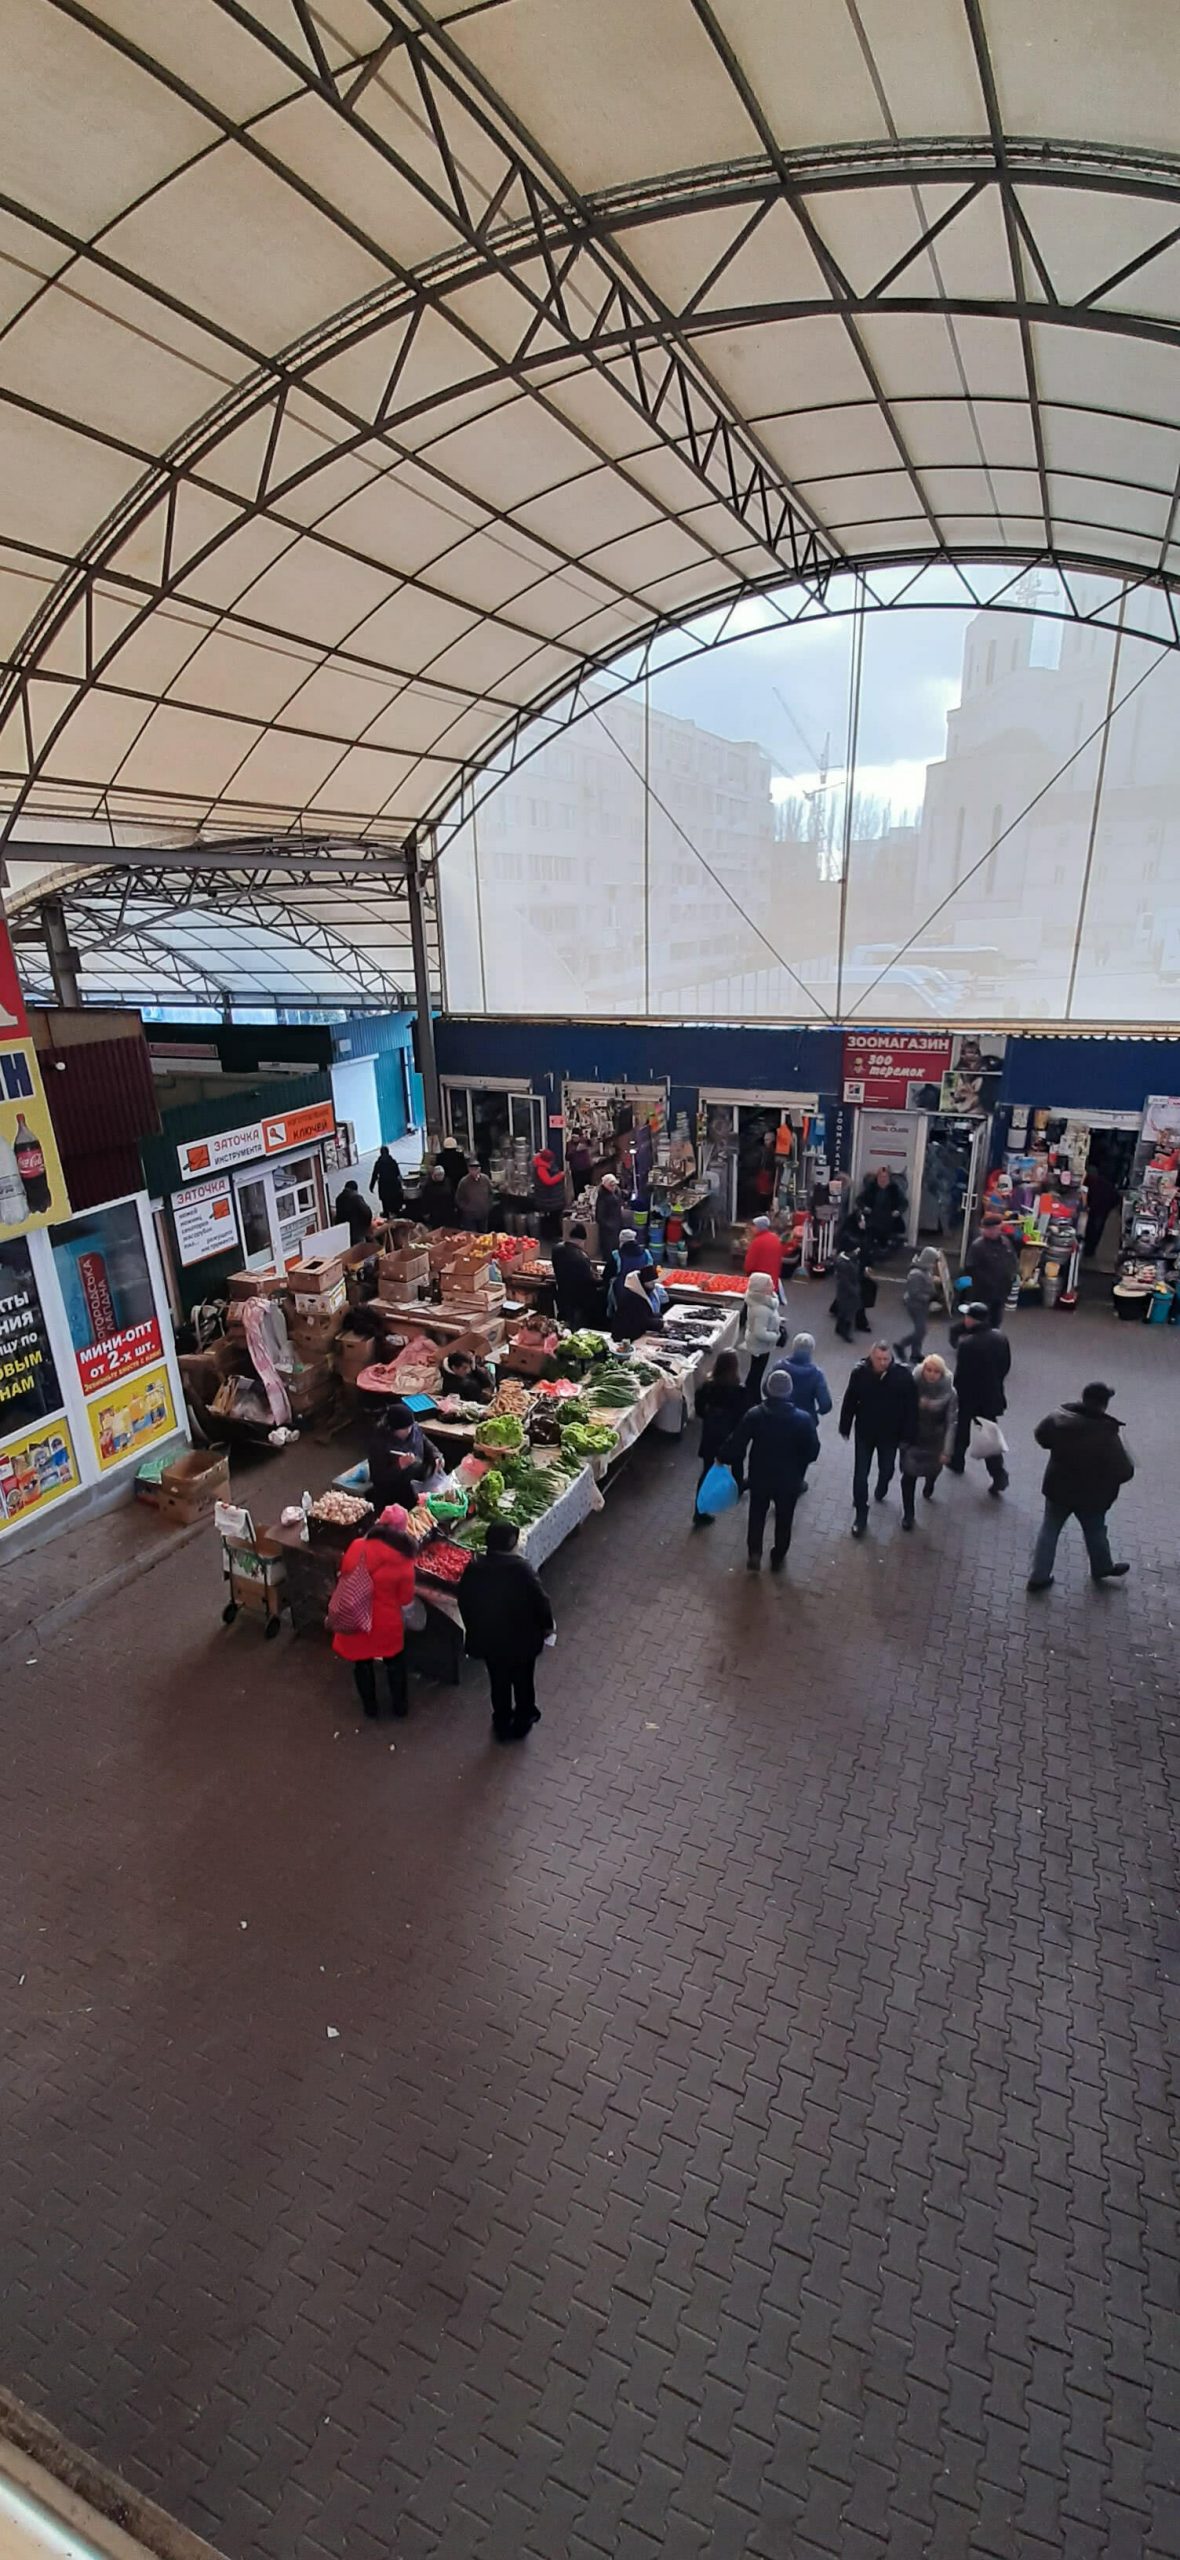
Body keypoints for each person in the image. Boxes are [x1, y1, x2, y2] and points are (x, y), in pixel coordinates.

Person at [1027, 1382, 1133, 1591]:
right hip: (1091, 1496)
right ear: (1104, 1405)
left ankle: (1039, 1577)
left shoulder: (1060, 1418)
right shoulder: (1106, 1433)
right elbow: (1125, 1471)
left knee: (1049, 1529)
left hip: (1058, 1487)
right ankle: (1102, 1567)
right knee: (1095, 1531)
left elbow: (1041, 1436)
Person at [458, 1518, 555, 1741]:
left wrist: (475, 1628)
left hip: (491, 1642)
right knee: (523, 1682)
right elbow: (540, 1601)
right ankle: (523, 1720)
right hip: (521, 1642)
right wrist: (547, 1626)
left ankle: (501, 1721)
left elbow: (465, 1600)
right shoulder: (521, 1570)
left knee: (498, 1682)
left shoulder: (474, 1568)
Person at [721, 1369, 819, 1573]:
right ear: (789, 1391)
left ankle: (755, 1553)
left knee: (757, 1515)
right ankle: (778, 1555)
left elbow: (737, 1442)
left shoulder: (755, 1415)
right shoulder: (803, 1419)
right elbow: (813, 1452)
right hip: (789, 1480)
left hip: (760, 1476)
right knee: (784, 1519)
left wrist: (722, 1457)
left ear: (767, 1390)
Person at [331, 1505, 416, 1719]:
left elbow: (344, 1573)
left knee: (362, 1664)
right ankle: (400, 1707)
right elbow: (405, 1599)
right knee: (395, 1664)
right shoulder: (404, 1560)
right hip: (385, 1624)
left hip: (356, 1617)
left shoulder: (357, 1545)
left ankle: (370, 1708)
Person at [839, 1341, 919, 1538]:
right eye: (878, 1359)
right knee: (860, 1475)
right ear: (871, 1357)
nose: (883, 1363)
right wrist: (845, 1425)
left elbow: (911, 1407)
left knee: (887, 1468)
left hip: (890, 1435)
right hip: (865, 1432)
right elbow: (850, 1399)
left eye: (886, 1359)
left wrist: (908, 1435)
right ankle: (861, 1513)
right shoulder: (860, 1373)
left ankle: (882, 1486)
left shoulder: (902, 1376)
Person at [947, 1300, 1011, 1493]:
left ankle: (959, 1462)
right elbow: (1005, 1366)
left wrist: (955, 1394)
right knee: (988, 1433)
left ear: (970, 1319)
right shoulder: (1000, 1338)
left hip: (970, 1397)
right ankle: (996, 1473)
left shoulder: (967, 1344)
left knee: (963, 1430)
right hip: (991, 1396)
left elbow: (961, 1375)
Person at [692, 1349, 750, 1527]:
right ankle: (737, 1488)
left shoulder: (707, 1386)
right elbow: (744, 1415)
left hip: (711, 1435)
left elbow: (699, 1409)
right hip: (732, 1436)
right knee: (738, 1463)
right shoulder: (740, 1390)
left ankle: (699, 1511)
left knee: (707, 1471)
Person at [899, 1354, 958, 1528]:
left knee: (932, 1470)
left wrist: (947, 1450)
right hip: (913, 1439)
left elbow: (951, 1422)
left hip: (934, 1441)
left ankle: (930, 1483)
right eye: (928, 1370)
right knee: (908, 1478)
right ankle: (908, 1514)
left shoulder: (949, 1393)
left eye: (936, 1371)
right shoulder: (913, 1385)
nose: (931, 1374)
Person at [367, 1399, 443, 1512]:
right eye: (404, 1429)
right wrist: (399, 1466)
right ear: (393, 1429)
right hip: (396, 1492)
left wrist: (437, 1456)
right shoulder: (379, 1443)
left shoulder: (414, 1429)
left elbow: (426, 1443)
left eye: (410, 1427)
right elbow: (378, 1478)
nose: (409, 1431)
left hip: (418, 1479)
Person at [964, 1207, 1018, 1327]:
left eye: (996, 1228)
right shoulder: (978, 1246)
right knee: (981, 1321)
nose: (993, 1231)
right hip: (983, 1293)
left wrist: (1012, 1275)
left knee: (996, 1321)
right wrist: (986, 1282)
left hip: (1000, 1292)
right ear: (984, 1229)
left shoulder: (1006, 1243)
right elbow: (971, 1268)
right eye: (990, 1229)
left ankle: (992, 1341)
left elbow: (1012, 1260)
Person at [741, 1268, 786, 1400]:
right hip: (760, 1346)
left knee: (756, 1370)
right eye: (769, 1284)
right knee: (756, 1372)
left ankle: (751, 1394)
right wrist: (775, 1336)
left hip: (759, 1345)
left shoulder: (763, 1302)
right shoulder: (761, 1309)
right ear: (761, 1288)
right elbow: (760, 1333)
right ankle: (753, 1397)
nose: (773, 1285)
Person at [551, 1221, 603, 1328]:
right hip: (578, 1299)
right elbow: (590, 1280)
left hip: (562, 1293)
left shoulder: (556, 1249)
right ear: (581, 1241)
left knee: (564, 1321)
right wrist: (602, 1279)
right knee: (576, 1324)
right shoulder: (580, 1258)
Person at [895, 1245, 941, 1361]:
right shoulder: (915, 1274)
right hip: (916, 1306)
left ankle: (916, 1353)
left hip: (922, 1305)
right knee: (921, 1331)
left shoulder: (925, 1269)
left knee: (920, 1329)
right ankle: (901, 1345)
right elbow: (914, 1293)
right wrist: (930, 1297)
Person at [783, 1332, 832, 1426]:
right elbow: (825, 1404)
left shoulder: (780, 1366)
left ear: (793, 1347)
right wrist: (819, 1412)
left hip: (781, 1417)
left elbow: (766, 1388)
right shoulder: (816, 1374)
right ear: (811, 1350)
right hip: (806, 1420)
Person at [859, 1166, 906, 1258]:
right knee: (868, 1236)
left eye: (885, 1177)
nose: (883, 1179)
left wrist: (898, 1211)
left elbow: (904, 1203)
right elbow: (859, 1200)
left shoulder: (894, 1189)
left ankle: (884, 1249)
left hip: (889, 1218)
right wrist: (865, 1208)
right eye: (881, 1177)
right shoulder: (871, 1188)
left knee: (886, 1232)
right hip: (873, 1218)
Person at [603, 1227, 651, 1317]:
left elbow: (606, 1275)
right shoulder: (646, 1254)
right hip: (641, 1294)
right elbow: (651, 1278)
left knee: (622, 1318)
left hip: (621, 1295)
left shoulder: (616, 1255)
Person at [611, 1266, 665, 1341]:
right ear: (642, 1282)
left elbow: (645, 1314)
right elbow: (642, 1320)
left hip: (635, 1332)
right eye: (651, 1282)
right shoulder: (632, 1298)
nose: (654, 1284)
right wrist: (661, 1324)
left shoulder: (643, 1293)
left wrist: (659, 1316)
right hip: (626, 1337)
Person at [1082, 1160, 1120, 1259]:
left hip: (1103, 1204)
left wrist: (1087, 1207)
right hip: (1106, 1202)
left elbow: (1087, 1198)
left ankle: (1089, 1250)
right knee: (1096, 1226)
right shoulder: (1097, 1182)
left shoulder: (1091, 1183)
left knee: (1095, 1226)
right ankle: (1089, 1250)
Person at [531, 1147, 567, 1240]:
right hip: (548, 1199)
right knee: (552, 1218)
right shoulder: (541, 1168)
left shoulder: (545, 1164)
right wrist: (560, 1176)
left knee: (554, 1216)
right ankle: (552, 1236)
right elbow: (548, 1181)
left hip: (552, 1198)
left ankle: (554, 1234)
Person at [832, 1243, 865, 1344]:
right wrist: (855, 1291)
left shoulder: (848, 1260)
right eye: (855, 1249)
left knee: (844, 1310)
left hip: (847, 1290)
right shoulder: (844, 1264)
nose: (857, 1251)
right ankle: (845, 1332)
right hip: (847, 1291)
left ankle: (839, 1328)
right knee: (849, 1312)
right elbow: (845, 1281)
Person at [744, 1216, 785, 1291]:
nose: (751, 1229)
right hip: (772, 1282)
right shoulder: (775, 1239)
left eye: (753, 1226)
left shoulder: (757, 1242)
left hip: (758, 1284)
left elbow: (749, 1265)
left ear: (758, 1227)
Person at [455, 1157, 493, 1232]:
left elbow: (491, 1193)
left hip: (483, 1214)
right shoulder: (464, 1182)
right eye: (471, 1169)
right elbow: (458, 1198)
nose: (474, 1171)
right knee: (472, 1236)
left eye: (476, 1169)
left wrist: (488, 1206)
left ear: (479, 1169)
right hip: (470, 1216)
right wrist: (466, 1208)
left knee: (483, 1235)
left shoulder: (485, 1179)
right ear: (469, 1170)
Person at [594, 1171, 626, 1260]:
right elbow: (599, 1216)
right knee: (608, 1251)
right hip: (607, 1230)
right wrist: (609, 1226)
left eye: (614, 1184)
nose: (613, 1187)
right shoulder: (602, 1197)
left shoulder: (617, 1191)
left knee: (616, 1248)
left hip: (617, 1224)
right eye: (611, 1185)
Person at [333, 1178, 374, 1245]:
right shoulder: (356, 1198)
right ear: (355, 1189)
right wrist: (367, 1225)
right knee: (360, 1250)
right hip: (356, 1231)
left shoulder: (338, 1198)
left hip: (343, 1232)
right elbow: (367, 1212)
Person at [369, 1146, 404, 1219]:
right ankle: (396, 1212)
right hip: (393, 1184)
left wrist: (371, 1186)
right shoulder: (393, 1161)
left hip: (383, 1184)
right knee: (394, 1197)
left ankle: (386, 1213)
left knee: (384, 1199)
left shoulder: (378, 1163)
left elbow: (374, 1175)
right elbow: (398, 1173)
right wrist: (401, 1184)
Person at [421, 1163, 455, 1229]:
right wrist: (425, 1212)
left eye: (442, 1175)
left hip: (448, 1211)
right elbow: (425, 1199)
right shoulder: (428, 1185)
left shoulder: (448, 1181)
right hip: (435, 1213)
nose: (441, 1176)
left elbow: (452, 1194)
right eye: (439, 1175)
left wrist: (454, 1206)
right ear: (434, 1175)